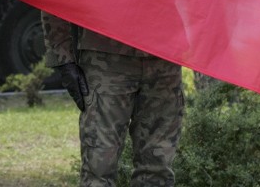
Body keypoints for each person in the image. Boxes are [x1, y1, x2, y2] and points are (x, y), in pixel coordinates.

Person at [42, 11, 183, 187]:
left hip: (164, 55)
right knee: (99, 169)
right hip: (106, 56)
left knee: (158, 171)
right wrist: (62, 56)